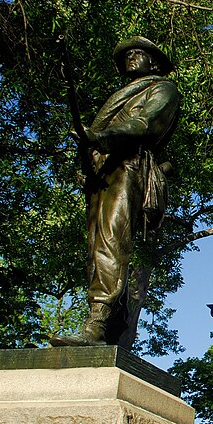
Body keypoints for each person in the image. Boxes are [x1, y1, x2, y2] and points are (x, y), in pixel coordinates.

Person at [52, 36, 180, 347]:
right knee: (96, 247)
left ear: (154, 62)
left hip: (129, 168)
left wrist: (100, 135)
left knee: (111, 240)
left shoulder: (162, 89)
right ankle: (115, 323)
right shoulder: (121, 94)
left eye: (138, 53)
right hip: (104, 172)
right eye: (127, 54)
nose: (130, 58)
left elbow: (145, 123)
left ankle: (97, 324)